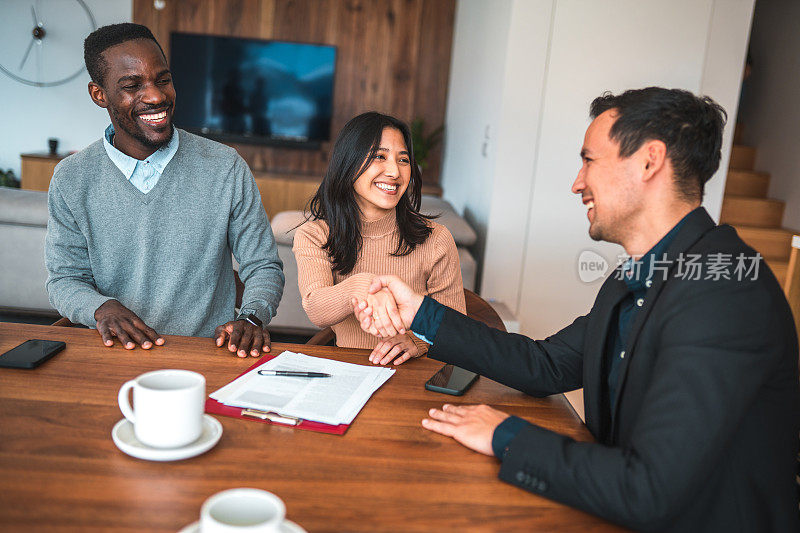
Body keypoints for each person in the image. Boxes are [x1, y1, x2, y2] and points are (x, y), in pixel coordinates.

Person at [353, 88, 800, 531]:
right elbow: (543, 365)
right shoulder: (639, 276)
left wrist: (506, 435)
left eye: (589, 160)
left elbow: (650, 490)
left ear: (649, 160)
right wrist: (420, 313)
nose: (577, 182)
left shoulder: (726, 293)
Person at [45, 23, 284, 357]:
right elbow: (64, 279)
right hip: (112, 355)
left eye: (163, 79)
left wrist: (253, 316)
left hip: (208, 355)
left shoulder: (225, 166)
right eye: (132, 85)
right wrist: (102, 308)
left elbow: (263, 267)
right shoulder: (71, 178)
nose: (157, 96)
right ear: (99, 94)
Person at [293, 112, 465, 365]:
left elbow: (456, 326)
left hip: (412, 375)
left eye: (403, 159)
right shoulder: (315, 235)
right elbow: (317, 309)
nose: (395, 172)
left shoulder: (436, 239)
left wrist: (417, 341)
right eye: (379, 157)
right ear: (348, 163)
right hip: (347, 372)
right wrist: (365, 287)